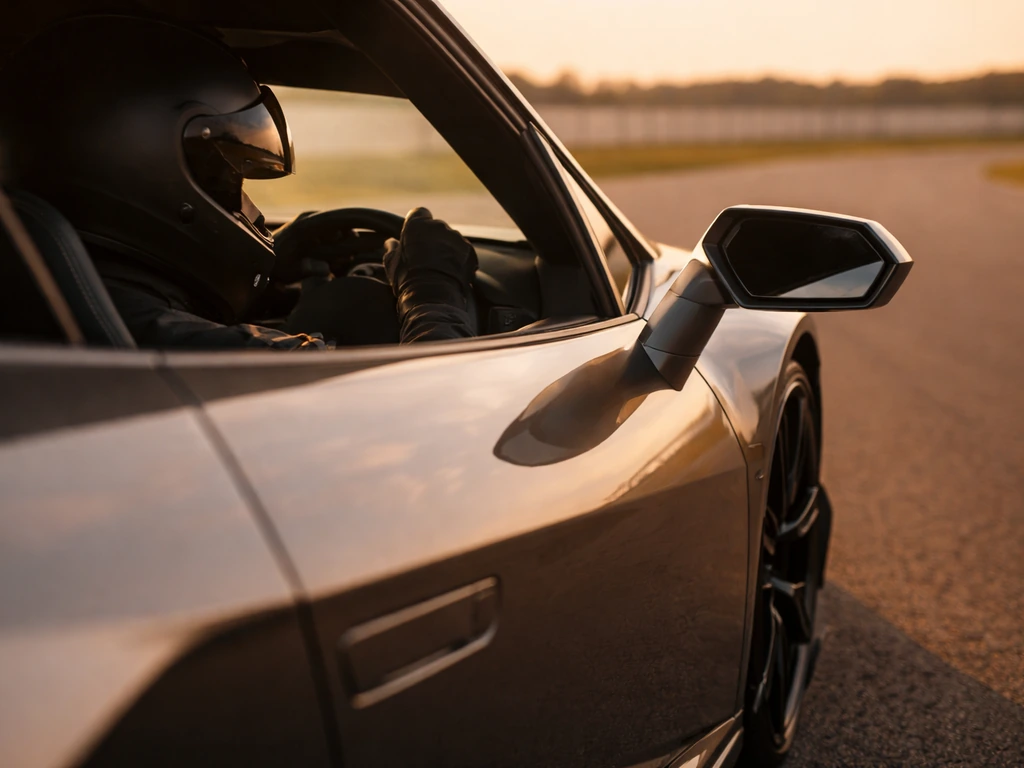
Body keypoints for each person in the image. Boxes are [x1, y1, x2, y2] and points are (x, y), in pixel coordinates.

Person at [0, 14, 477, 350]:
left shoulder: (50, 291)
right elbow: (426, 415)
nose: (249, 207)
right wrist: (432, 294)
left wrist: (266, 276)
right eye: (227, 175)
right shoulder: (226, 358)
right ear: (152, 168)